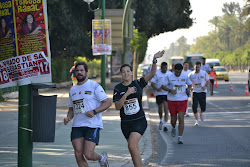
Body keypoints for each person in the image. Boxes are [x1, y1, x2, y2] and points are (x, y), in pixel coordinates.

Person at [113, 50, 164, 167]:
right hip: (125, 123)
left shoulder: (138, 83)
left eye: (128, 71)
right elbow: (117, 106)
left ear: (131, 72)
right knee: (134, 148)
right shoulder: (118, 88)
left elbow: (152, 74)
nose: (126, 74)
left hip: (139, 121)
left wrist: (154, 60)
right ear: (121, 74)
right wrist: (126, 94)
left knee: (131, 145)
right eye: (123, 72)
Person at [64, 62, 112, 167]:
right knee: (78, 154)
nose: (79, 73)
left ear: (86, 72)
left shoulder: (94, 86)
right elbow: (71, 109)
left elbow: (108, 102)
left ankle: (102, 158)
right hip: (77, 125)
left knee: (88, 154)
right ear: (75, 73)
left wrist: (94, 112)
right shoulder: (72, 90)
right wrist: (68, 117)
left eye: (82, 70)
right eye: (77, 71)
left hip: (92, 124)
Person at [161, 64, 192, 144]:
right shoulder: (169, 76)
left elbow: (189, 84)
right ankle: (174, 127)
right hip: (172, 100)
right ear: (174, 70)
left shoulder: (185, 76)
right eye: (177, 72)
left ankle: (180, 137)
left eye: (180, 72)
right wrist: (170, 90)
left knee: (181, 117)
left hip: (182, 99)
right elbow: (162, 86)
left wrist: (188, 89)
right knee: (173, 120)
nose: (178, 73)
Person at [151, 62, 170, 131]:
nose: (164, 69)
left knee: (166, 108)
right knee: (160, 109)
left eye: (165, 68)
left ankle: (166, 124)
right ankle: (161, 119)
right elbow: (152, 83)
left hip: (166, 94)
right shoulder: (157, 74)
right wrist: (157, 89)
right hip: (159, 94)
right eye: (163, 68)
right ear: (161, 67)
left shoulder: (169, 74)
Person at [189, 61, 209, 126]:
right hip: (194, 92)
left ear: (200, 67)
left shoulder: (204, 73)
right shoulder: (191, 74)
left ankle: (201, 112)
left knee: (203, 106)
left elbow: (208, 81)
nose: (197, 68)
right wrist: (190, 88)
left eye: (198, 67)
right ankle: (196, 120)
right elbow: (187, 83)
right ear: (194, 67)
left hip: (202, 92)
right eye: (196, 67)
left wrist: (205, 86)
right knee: (194, 106)